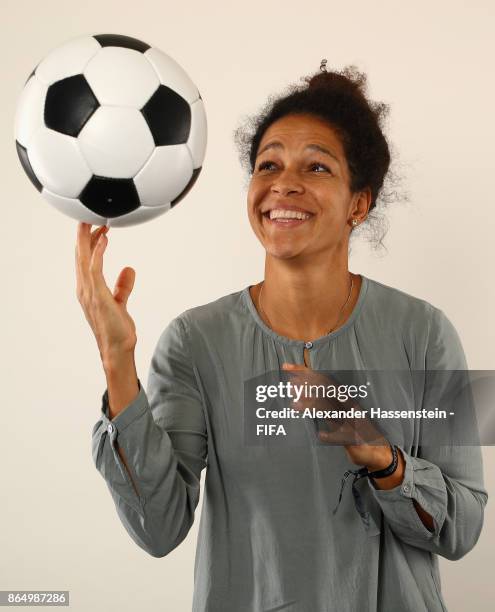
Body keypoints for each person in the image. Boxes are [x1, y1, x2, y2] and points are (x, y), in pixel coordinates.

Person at [76, 63, 488, 612]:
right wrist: (116, 359)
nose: (283, 183)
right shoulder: (195, 342)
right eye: (268, 164)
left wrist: (383, 459)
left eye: (316, 166)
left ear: (358, 204)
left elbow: (464, 527)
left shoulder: (428, 333)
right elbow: (159, 528)